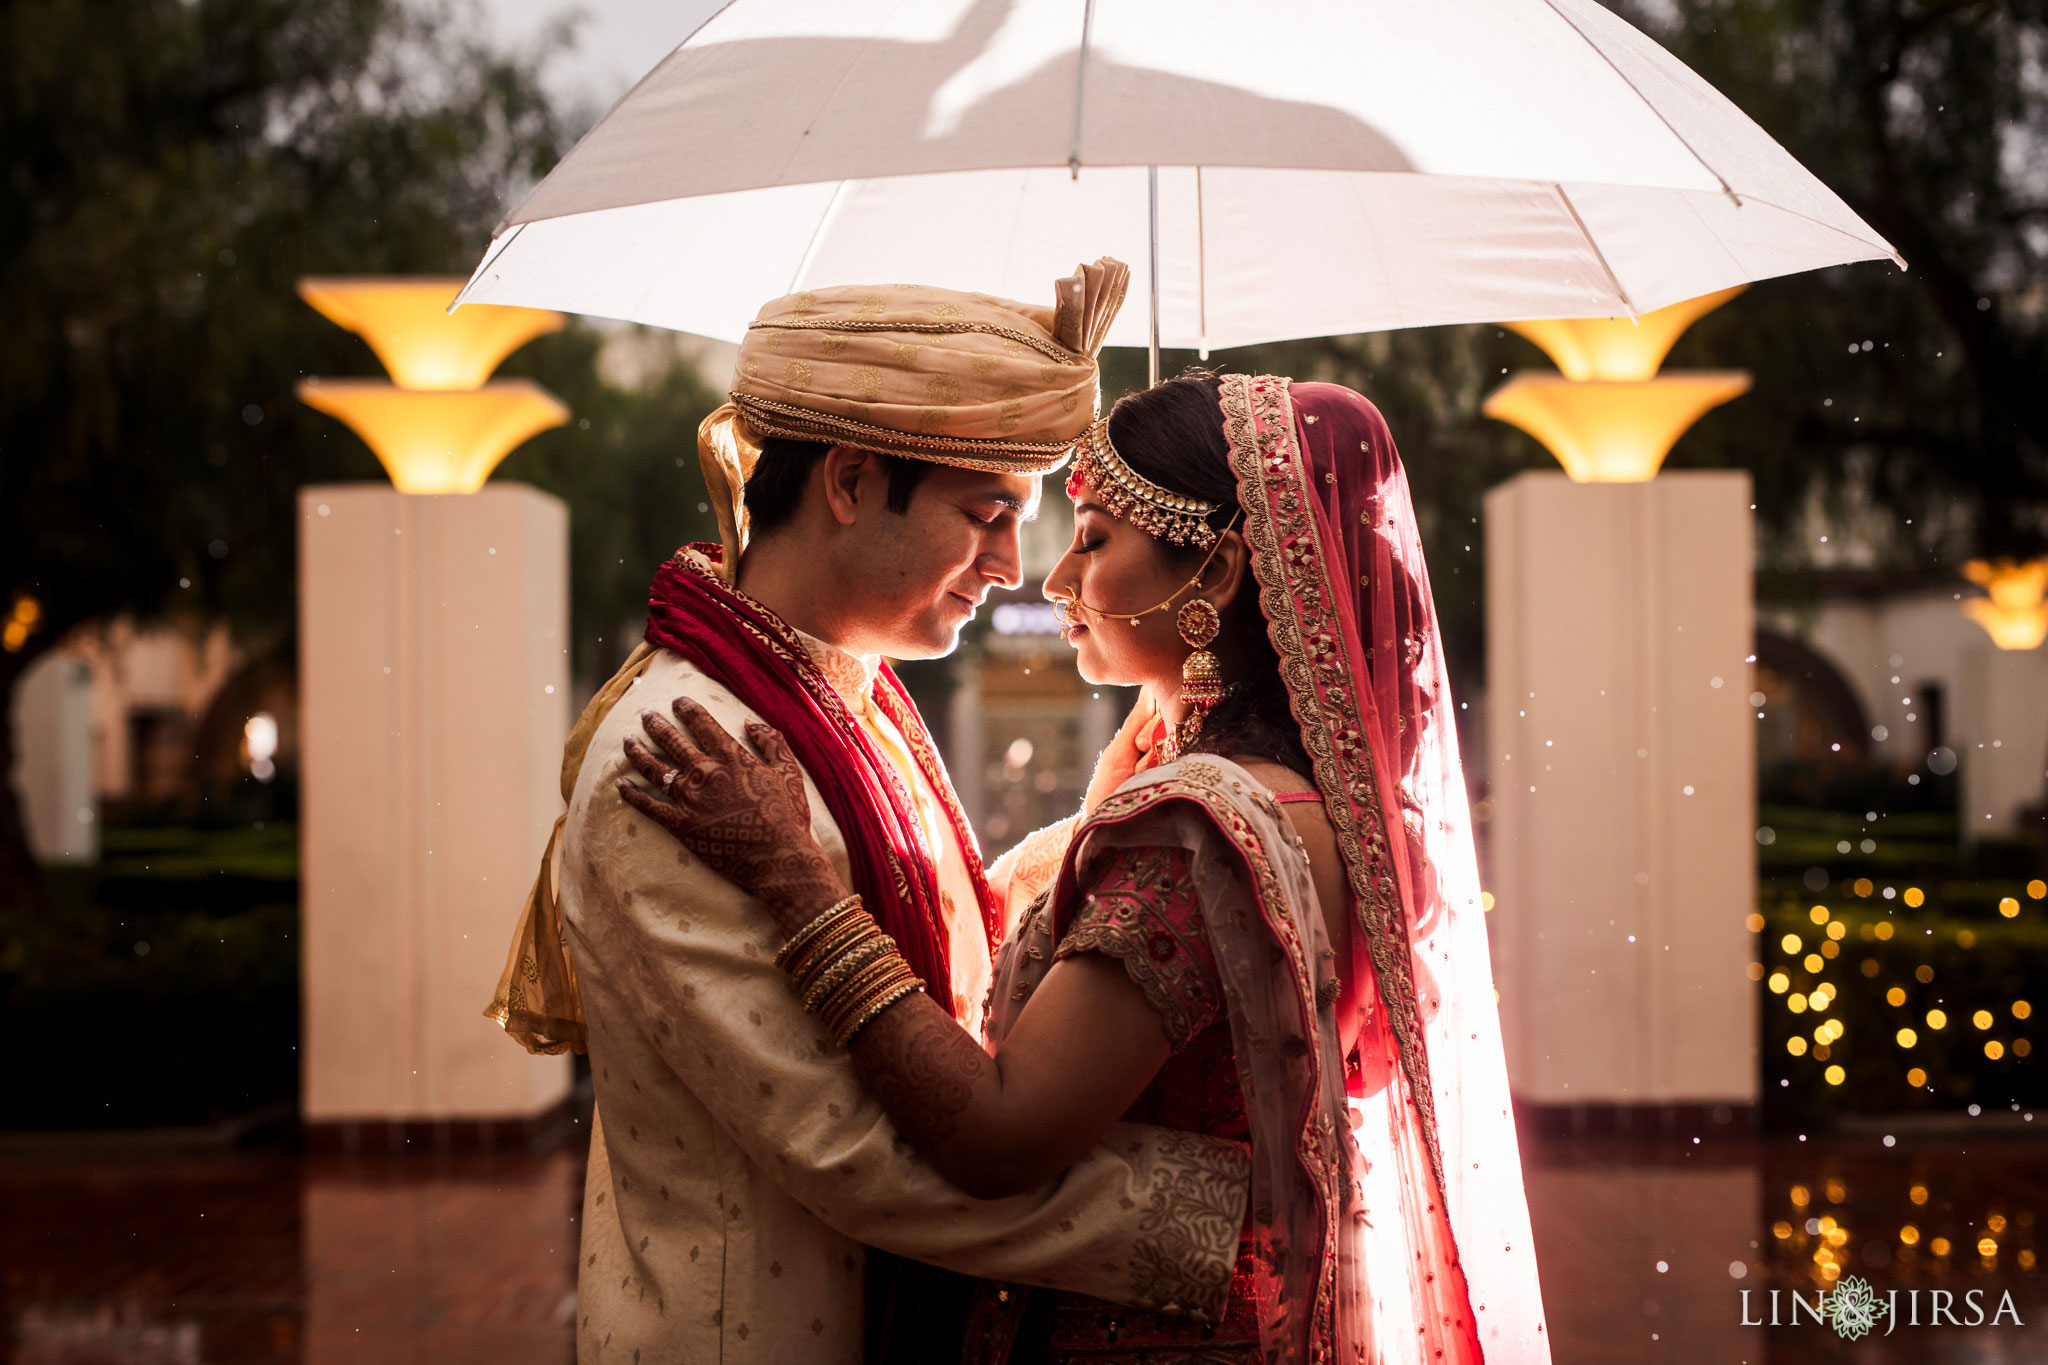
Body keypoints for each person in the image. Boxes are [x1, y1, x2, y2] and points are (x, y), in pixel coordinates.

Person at [619, 372, 1552, 1362]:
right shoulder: (1292, 797)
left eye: (1094, 539)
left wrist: (794, 884)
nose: (1053, 579)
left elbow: (998, 1138)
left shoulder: (1197, 832)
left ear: (1222, 572)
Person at [483, 268, 1259, 1364]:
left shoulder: (844, 691)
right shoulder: (682, 757)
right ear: (848, 481)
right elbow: (852, 1149)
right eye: (988, 517)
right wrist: (1225, 1227)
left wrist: (1100, 828)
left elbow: (948, 956)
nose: (1011, 571)